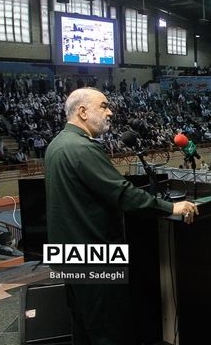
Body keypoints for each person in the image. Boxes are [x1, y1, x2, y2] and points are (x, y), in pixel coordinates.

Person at [45, 88, 198, 345]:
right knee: (109, 330)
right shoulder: (83, 148)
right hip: (94, 254)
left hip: (66, 252)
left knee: (83, 328)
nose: (110, 112)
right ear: (82, 112)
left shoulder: (58, 143)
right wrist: (172, 208)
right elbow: (122, 194)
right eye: (103, 106)